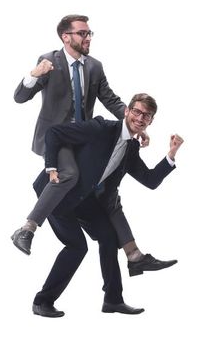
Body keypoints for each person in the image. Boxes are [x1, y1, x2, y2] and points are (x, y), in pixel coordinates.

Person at [9, 15, 175, 276]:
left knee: (108, 192)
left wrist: (134, 125)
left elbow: (111, 99)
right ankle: (27, 228)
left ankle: (133, 255)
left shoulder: (95, 67)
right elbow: (20, 97)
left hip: (84, 136)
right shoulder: (49, 61)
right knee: (70, 173)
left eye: (89, 33)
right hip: (58, 136)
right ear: (66, 36)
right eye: (82, 33)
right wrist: (34, 75)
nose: (88, 38)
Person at [31, 93, 181, 317]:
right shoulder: (101, 128)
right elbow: (54, 133)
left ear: (151, 122)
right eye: (137, 112)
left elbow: (149, 181)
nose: (140, 118)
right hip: (58, 194)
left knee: (110, 238)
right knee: (77, 247)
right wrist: (51, 167)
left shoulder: (130, 148)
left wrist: (171, 153)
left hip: (83, 199)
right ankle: (42, 301)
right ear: (127, 112)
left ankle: (113, 300)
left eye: (147, 116)